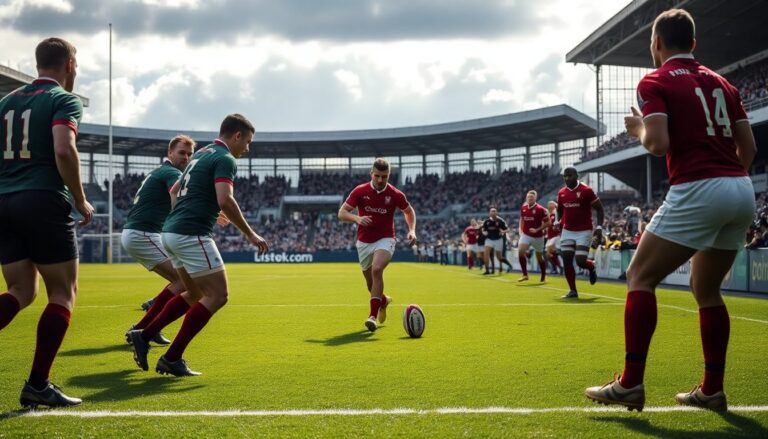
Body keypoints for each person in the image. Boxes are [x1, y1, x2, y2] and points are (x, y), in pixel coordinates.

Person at [585, 9, 756, 412]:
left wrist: (637, 128)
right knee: (706, 289)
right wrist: (726, 185)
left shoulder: (655, 80)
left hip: (699, 186)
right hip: (741, 188)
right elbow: (748, 149)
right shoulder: (724, 83)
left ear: (657, 43)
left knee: (639, 276)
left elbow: (657, 143)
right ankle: (712, 390)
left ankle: (630, 383)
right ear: (693, 43)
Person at [127, 114, 269, 376]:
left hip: (171, 232)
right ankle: (172, 357)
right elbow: (225, 199)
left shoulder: (201, 154)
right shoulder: (225, 158)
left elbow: (174, 191)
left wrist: (182, 215)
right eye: (248, 142)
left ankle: (144, 335)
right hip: (192, 234)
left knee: (193, 294)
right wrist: (250, 234)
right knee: (218, 295)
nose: (248, 148)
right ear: (237, 136)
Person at [0, 38, 94, 408]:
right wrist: (80, 198)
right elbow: (63, 148)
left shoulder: (5, 102)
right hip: (42, 198)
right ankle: (38, 384)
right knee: (62, 293)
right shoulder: (63, 99)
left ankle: (39, 385)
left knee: (21, 290)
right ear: (69, 64)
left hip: (4, 202)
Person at [121, 135, 195, 346]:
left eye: (189, 154)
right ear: (170, 153)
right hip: (142, 234)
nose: (186, 157)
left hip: (141, 233)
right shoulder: (172, 173)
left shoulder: (162, 171)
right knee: (185, 281)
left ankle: (150, 321)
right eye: (181, 152)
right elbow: (176, 194)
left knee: (182, 280)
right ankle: (142, 329)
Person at [338, 158, 416, 332]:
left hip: (386, 239)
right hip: (364, 242)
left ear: (389, 175)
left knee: (377, 269)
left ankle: (372, 316)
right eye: (377, 176)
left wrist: (412, 230)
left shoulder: (395, 194)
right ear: (371, 174)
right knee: (370, 284)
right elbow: (341, 213)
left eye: (384, 176)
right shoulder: (360, 191)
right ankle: (383, 301)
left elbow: (409, 212)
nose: (380, 180)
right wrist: (357, 218)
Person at [555, 167, 604, 298]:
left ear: (577, 176)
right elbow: (559, 210)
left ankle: (591, 266)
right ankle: (573, 291)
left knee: (580, 261)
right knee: (566, 260)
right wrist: (557, 221)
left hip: (584, 230)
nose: (566, 178)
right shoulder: (561, 193)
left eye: (569, 175)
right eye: (565, 176)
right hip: (567, 230)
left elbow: (599, 209)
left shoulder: (586, 190)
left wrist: (599, 227)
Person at [517, 190, 550, 283]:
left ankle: (543, 275)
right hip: (526, 234)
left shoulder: (541, 209)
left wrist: (537, 229)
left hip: (538, 236)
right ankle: (525, 275)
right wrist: (520, 230)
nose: (529, 198)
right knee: (520, 251)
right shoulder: (523, 208)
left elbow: (548, 223)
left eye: (531, 197)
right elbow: (522, 219)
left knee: (539, 256)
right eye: (528, 197)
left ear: (535, 198)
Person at [481, 208, 514, 275]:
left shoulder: (500, 221)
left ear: (496, 213)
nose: (493, 213)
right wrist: (484, 232)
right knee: (486, 254)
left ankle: (510, 265)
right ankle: (487, 270)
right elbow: (483, 229)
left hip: (498, 240)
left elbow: (507, 229)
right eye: (492, 211)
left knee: (499, 257)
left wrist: (503, 231)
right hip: (489, 239)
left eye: (494, 211)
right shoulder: (486, 221)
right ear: (489, 213)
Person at [544, 201, 562, 274]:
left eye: (551, 205)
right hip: (550, 237)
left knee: (549, 253)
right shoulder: (549, 215)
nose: (549, 206)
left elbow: (558, 223)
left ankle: (560, 267)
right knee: (548, 255)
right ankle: (558, 268)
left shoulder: (556, 214)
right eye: (548, 205)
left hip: (555, 236)